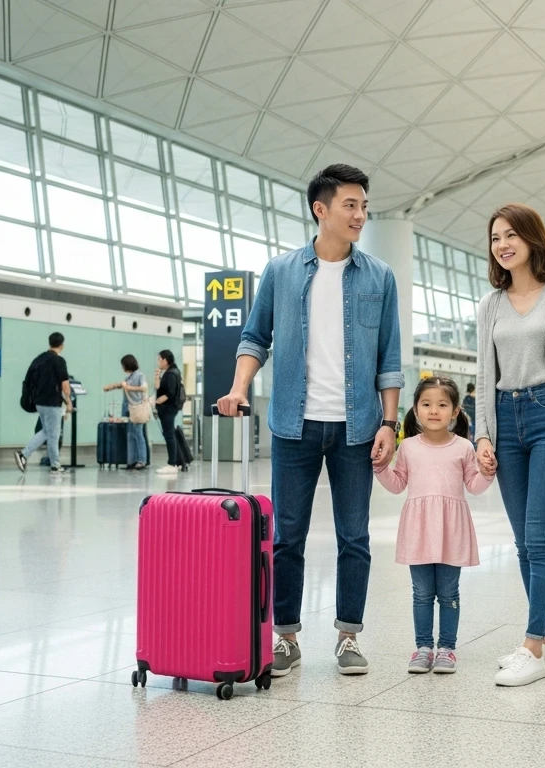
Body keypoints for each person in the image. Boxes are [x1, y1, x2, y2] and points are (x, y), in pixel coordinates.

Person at [218, 164, 403, 678]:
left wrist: (390, 423)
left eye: (365, 206)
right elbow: (255, 338)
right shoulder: (281, 272)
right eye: (351, 205)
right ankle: (285, 638)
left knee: (354, 536)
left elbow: (390, 358)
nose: (361, 215)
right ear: (320, 209)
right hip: (293, 425)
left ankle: (347, 638)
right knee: (287, 537)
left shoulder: (379, 276)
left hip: (357, 427)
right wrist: (238, 388)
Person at [474, 203, 545, 688]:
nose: (503, 244)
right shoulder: (489, 305)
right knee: (523, 542)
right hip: (506, 421)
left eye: (511, 235)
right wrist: (481, 432)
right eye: (496, 237)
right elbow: (483, 376)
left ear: (532, 239)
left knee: (540, 537)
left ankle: (533, 647)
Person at [374, 377, 492, 675]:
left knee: (449, 593)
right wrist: (380, 468)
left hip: (452, 530)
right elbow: (398, 484)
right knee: (422, 593)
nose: (434, 411)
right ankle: (423, 647)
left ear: (454, 412)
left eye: (442, 405)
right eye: (426, 404)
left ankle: (447, 649)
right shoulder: (409, 447)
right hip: (419, 530)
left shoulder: (464, 447)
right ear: (415, 409)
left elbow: (474, 486)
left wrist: (488, 473)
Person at [15, 333, 72, 475]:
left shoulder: (39, 359)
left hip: (39, 402)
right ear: (62, 345)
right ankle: (54, 465)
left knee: (47, 432)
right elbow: (65, 385)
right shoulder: (59, 361)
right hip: (52, 402)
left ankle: (24, 455)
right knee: (54, 434)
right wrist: (69, 402)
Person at [103, 354, 149, 470]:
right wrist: (110, 387)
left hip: (137, 409)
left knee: (138, 434)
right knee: (130, 434)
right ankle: (131, 461)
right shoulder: (128, 378)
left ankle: (142, 460)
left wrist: (128, 388)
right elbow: (121, 385)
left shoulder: (140, 375)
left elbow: (144, 388)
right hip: (128, 409)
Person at [154, 349, 190, 475]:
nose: (158, 362)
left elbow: (169, 393)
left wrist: (157, 401)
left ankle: (172, 463)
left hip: (168, 408)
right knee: (170, 434)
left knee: (169, 435)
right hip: (170, 408)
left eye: (159, 359)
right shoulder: (173, 372)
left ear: (165, 360)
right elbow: (159, 388)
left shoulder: (170, 374)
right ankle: (177, 461)